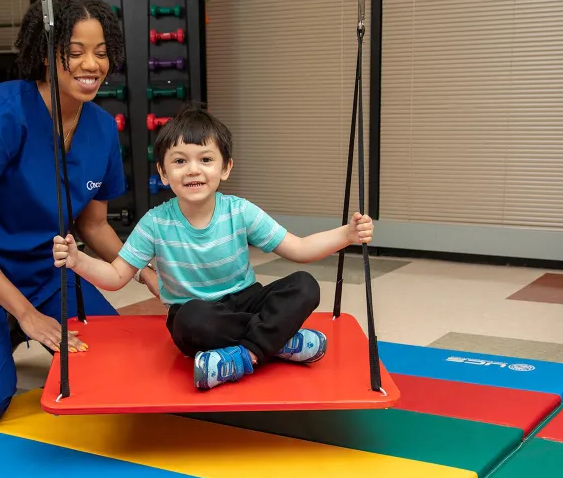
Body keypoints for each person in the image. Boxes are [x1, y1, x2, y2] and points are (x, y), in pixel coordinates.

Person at [0, 0, 159, 428]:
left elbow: (94, 224)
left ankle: (5, 323)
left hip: (45, 272)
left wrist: (144, 271)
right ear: (47, 55)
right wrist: (26, 314)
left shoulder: (101, 128)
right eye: (76, 52)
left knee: (115, 363)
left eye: (101, 53)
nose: (92, 65)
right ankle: (3, 320)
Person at [52, 106, 374, 391]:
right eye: (180, 161)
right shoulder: (155, 222)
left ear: (225, 168)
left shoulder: (240, 211)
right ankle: (277, 342)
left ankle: (245, 355)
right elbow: (115, 276)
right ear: (163, 172)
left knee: (305, 285)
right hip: (196, 312)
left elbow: (300, 248)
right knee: (192, 320)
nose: (193, 169)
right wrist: (78, 260)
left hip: (247, 301)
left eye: (206, 159)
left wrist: (346, 235)